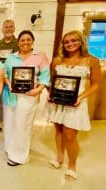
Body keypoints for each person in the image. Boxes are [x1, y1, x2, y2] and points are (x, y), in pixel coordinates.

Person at [48, 30, 102, 181]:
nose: (70, 44)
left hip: (76, 102)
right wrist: (50, 94)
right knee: (58, 129)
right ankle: (59, 157)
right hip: (58, 101)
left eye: (74, 40)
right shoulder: (58, 60)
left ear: (80, 42)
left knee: (70, 135)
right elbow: (53, 81)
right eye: (67, 42)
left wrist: (81, 97)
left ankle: (72, 165)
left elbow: (96, 84)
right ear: (63, 45)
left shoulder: (92, 60)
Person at [3, 30, 50, 166]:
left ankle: (19, 156)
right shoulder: (11, 57)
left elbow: (45, 77)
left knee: (23, 126)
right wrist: (8, 84)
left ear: (33, 41)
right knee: (11, 124)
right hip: (11, 95)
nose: (25, 42)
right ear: (18, 42)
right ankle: (11, 148)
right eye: (22, 40)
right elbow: (5, 74)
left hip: (29, 97)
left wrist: (38, 90)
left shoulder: (40, 57)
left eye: (28, 39)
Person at [0, 19, 19, 134]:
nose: (8, 29)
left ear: (14, 28)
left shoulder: (19, 43)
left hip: (12, 79)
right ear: (2, 29)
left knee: (12, 102)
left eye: (11, 27)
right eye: (6, 27)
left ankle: (12, 124)